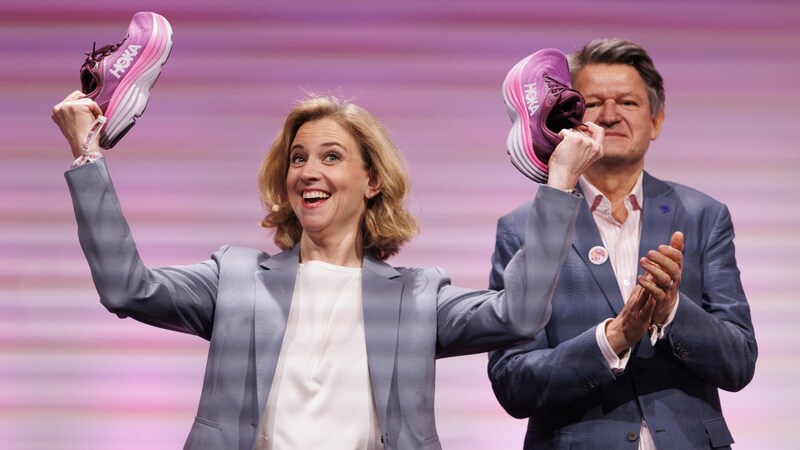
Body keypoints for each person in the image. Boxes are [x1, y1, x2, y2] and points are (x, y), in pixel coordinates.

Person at [52, 90, 605, 450]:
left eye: (331, 156)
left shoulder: (417, 295)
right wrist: (87, 154)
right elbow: (126, 287)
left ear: (371, 182)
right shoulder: (235, 277)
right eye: (298, 157)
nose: (308, 171)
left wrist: (558, 183)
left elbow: (522, 313)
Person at [487, 38, 757, 449]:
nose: (610, 116)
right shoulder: (525, 227)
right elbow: (513, 382)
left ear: (657, 121)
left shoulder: (704, 216)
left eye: (628, 103)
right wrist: (612, 339)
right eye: (592, 104)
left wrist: (670, 312)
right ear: (567, 118)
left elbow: (738, 362)